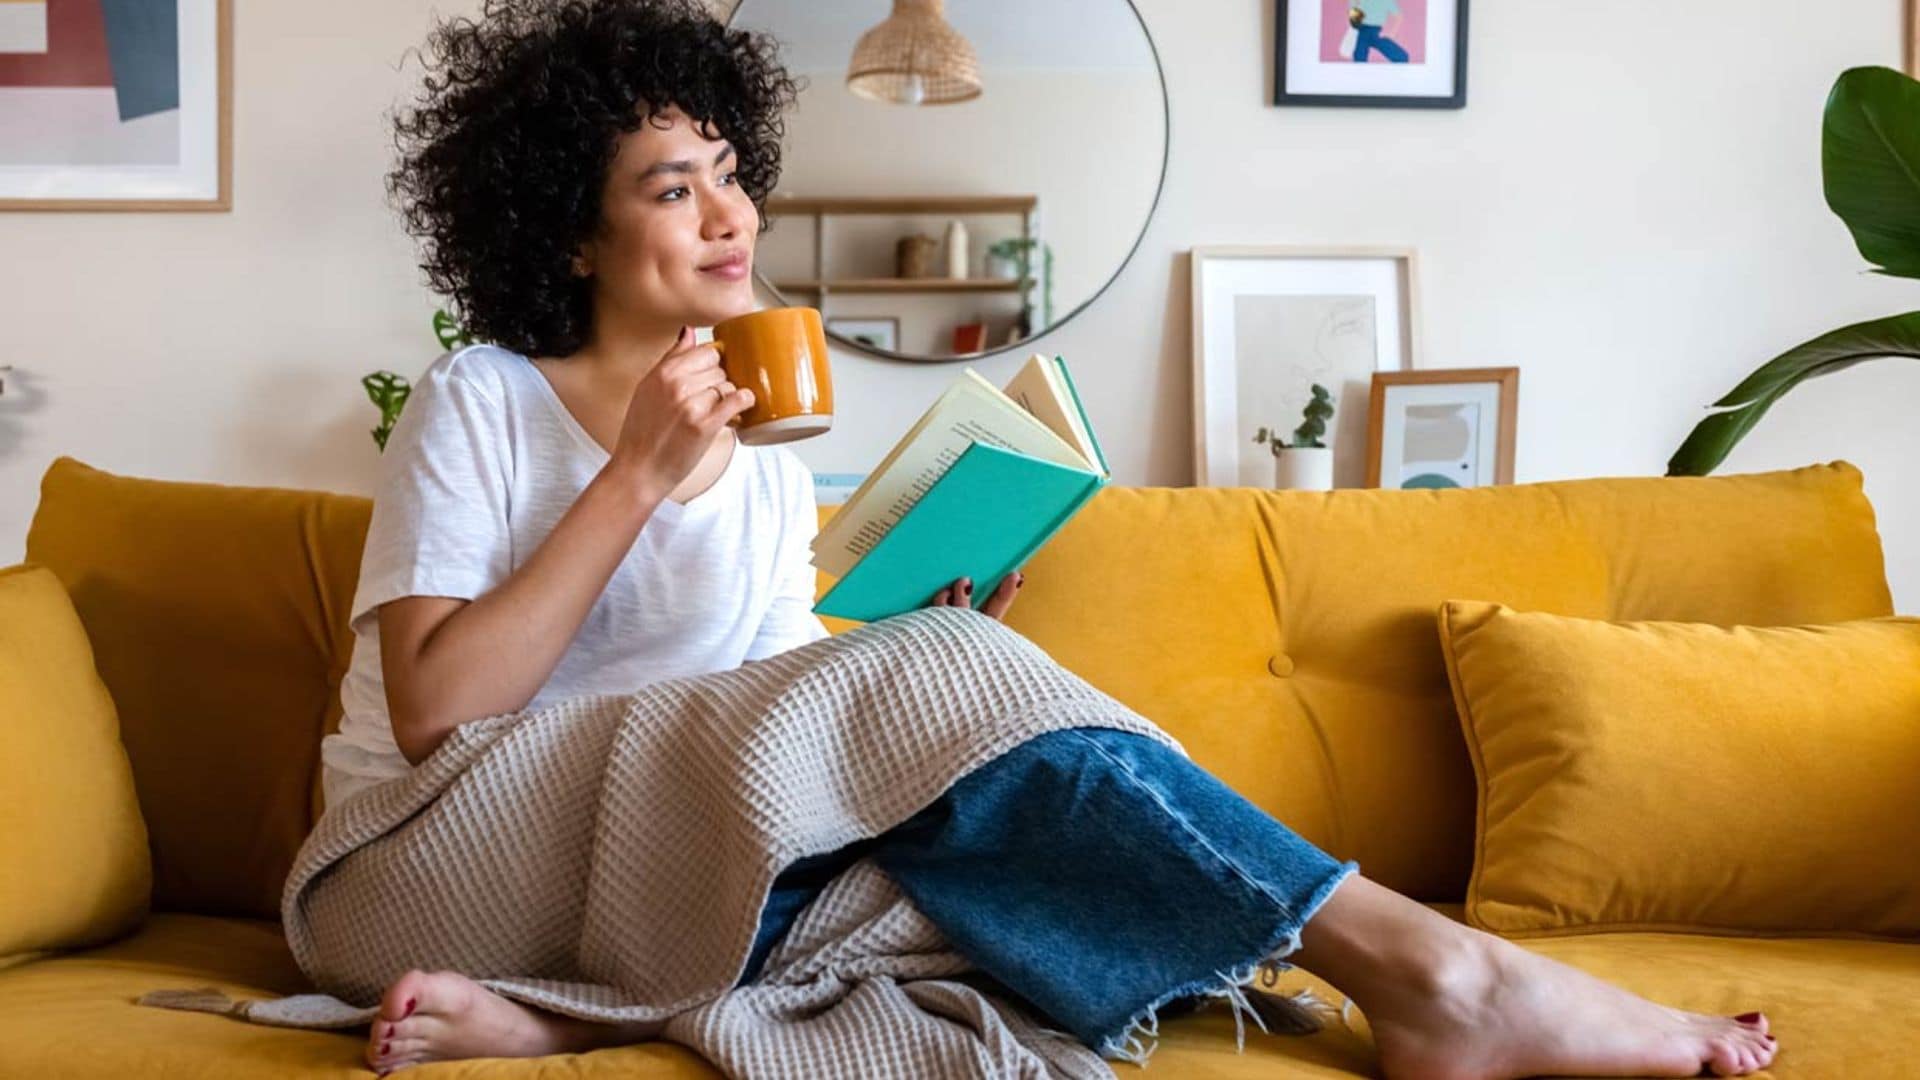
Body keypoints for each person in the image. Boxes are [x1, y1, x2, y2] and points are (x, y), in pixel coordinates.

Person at [325, 1, 1782, 1076]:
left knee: (976, 839)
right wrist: (635, 477)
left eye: (726, 169)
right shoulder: (486, 399)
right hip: (428, 861)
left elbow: (762, 729)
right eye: (669, 186)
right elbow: (438, 707)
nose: (729, 214)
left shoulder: (764, 454)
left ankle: (558, 1012)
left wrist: (928, 655)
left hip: (654, 864)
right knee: (954, 785)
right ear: (569, 237)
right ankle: (1441, 973)